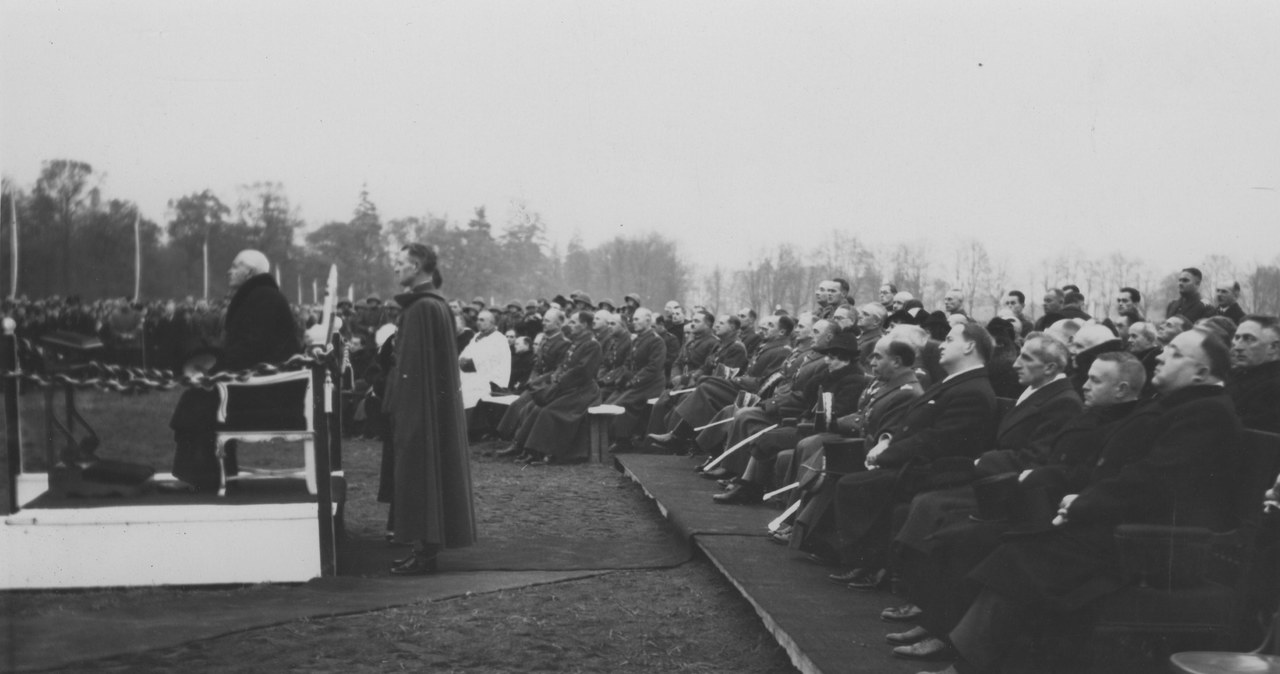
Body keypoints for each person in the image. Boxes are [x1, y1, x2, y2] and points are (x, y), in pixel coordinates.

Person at [920, 328, 1242, 674]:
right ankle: (968, 658)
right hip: (1118, 524)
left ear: (1202, 373)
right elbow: (1110, 463)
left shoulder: (1206, 413)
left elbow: (1154, 480)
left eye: (1176, 353)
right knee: (1006, 545)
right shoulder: (1177, 405)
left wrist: (1083, 503)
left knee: (1021, 556)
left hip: (1151, 541)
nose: (1161, 355)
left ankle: (968, 666)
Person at [169, 249, 301, 493]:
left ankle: (202, 478)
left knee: (198, 399)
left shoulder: (262, 298)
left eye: (235, 266)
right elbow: (247, 349)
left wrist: (215, 370)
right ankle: (208, 474)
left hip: (270, 395)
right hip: (268, 387)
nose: (230, 271)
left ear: (249, 272)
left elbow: (249, 350)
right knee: (198, 397)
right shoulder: (262, 296)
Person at [385, 243, 476, 575]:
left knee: (419, 474)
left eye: (400, 262)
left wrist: (405, 413)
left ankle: (424, 553)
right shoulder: (430, 305)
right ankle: (422, 548)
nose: (395, 268)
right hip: (425, 406)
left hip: (419, 409)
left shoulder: (423, 308)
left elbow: (412, 368)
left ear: (417, 265)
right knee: (423, 474)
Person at [1227, 315, 1280, 433]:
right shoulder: (1236, 373)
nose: (1238, 346)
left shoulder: (1274, 388)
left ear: (1273, 347)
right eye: (1237, 338)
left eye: (1249, 339)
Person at [458, 309, 511, 412]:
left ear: (491, 322)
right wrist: (464, 362)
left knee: (469, 396)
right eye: (478, 319)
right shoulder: (477, 337)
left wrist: (467, 362)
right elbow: (463, 356)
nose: (478, 322)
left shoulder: (499, 339)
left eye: (482, 320)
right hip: (472, 375)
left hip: (491, 381)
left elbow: (481, 362)